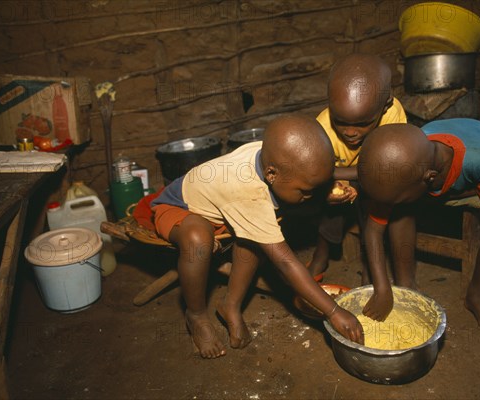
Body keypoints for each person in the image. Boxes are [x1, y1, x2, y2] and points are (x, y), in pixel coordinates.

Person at [149, 114, 364, 358]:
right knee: (199, 239)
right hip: (180, 208)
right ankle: (196, 316)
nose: (312, 195)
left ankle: (230, 305)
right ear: (271, 175)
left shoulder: (270, 156)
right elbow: (284, 261)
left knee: (254, 238)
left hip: (223, 210)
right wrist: (333, 311)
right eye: (307, 192)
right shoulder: (248, 193)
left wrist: (347, 177)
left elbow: (304, 181)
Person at [357, 118, 480, 334]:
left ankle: (478, 295)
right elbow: (373, 230)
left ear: (429, 178)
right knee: (398, 210)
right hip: (426, 186)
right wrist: (382, 288)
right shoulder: (406, 163)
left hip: (476, 184)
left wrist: (456, 193)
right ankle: (406, 283)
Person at [308, 53, 408, 281]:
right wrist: (330, 185)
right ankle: (321, 255)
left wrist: (343, 175)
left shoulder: (393, 114)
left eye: (362, 124)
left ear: (385, 106)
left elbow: (389, 167)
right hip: (341, 175)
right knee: (330, 206)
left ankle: (370, 267)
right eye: (340, 121)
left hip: (381, 175)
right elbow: (316, 174)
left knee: (378, 198)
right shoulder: (321, 129)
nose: (350, 132)